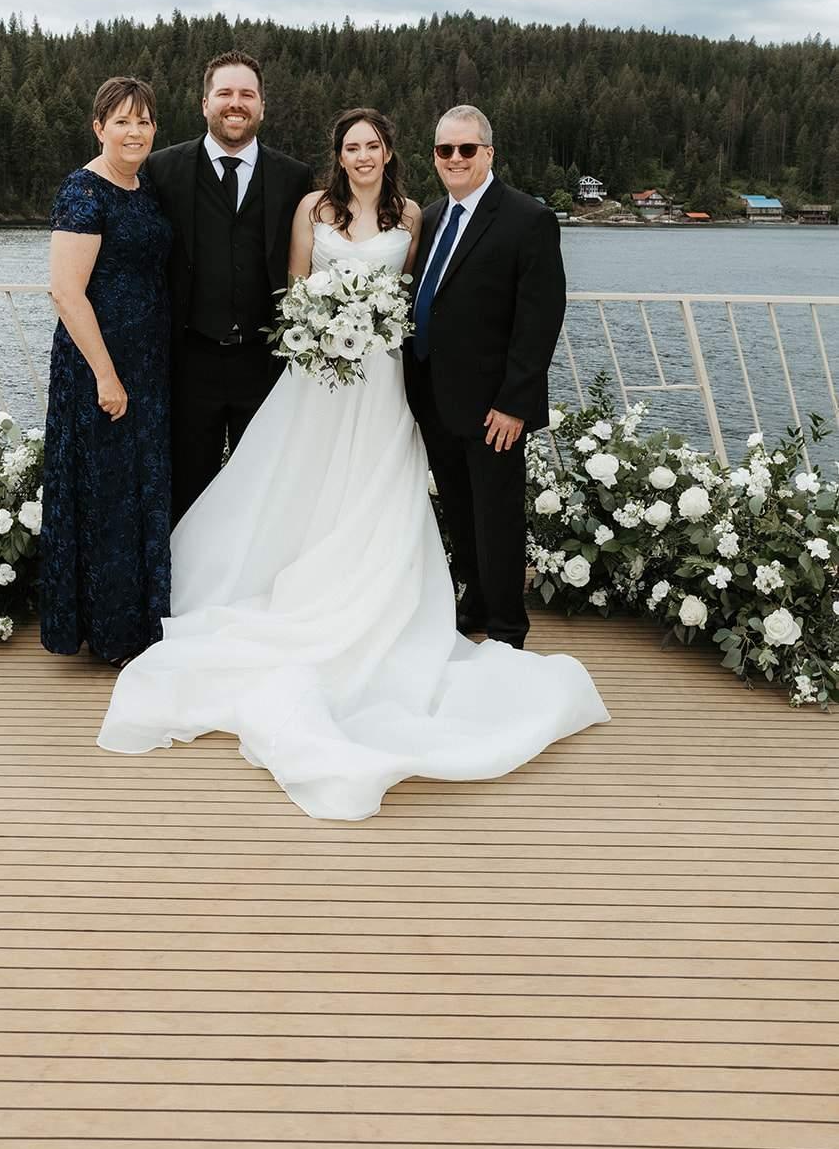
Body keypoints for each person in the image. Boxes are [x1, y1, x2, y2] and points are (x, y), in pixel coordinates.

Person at [98, 108, 608, 820]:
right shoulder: (317, 207)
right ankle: (363, 590)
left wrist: (403, 341)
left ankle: (484, 616)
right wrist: (318, 328)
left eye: (373, 145)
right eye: (350, 146)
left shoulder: (416, 215)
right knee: (305, 482)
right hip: (323, 376)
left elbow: (432, 299)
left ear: (391, 152)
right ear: (338, 155)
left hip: (386, 380)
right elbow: (294, 289)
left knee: (395, 487)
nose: (362, 155)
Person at [404, 105, 565, 648]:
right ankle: (473, 603)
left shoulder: (528, 219)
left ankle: (507, 628)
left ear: (488, 153)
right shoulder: (429, 218)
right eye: (444, 149)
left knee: (497, 517)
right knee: (459, 510)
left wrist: (515, 402)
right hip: (434, 397)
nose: (455, 158)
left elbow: (540, 319)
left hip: (494, 405)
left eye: (466, 148)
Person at [144, 50, 313, 523]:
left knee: (261, 495)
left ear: (262, 106)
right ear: (205, 104)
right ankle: (181, 574)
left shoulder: (294, 177)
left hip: (265, 364)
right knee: (186, 492)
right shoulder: (163, 169)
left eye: (246, 94)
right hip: (188, 362)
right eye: (224, 93)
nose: (235, 103)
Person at [40, 76, 173, 665]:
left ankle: (143, 622)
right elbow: (66, 291)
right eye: (121, 121)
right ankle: (111, 635)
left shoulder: (144, 188)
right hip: (101, 368)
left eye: (143, 121)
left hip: (147, 366)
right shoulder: (83, 191)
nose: (134, 132)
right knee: (106, 496)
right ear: (99, 128)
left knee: (139, 491)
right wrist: (105, 374)